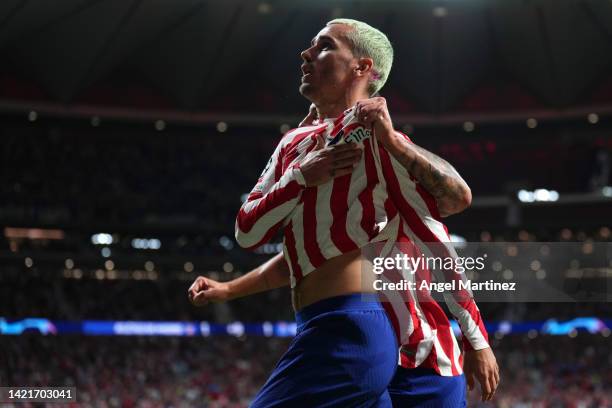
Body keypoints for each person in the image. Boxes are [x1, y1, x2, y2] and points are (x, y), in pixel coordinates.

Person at [189, 18, 499, 406]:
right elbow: (295, 250)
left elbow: (446, 213)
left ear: (362, 67)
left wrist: (476, 338)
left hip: (419, 352)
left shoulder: (378, 137)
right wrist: (230, 289)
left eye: (324, 47)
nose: (305, 54)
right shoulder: (295, 143)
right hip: (345, 329)